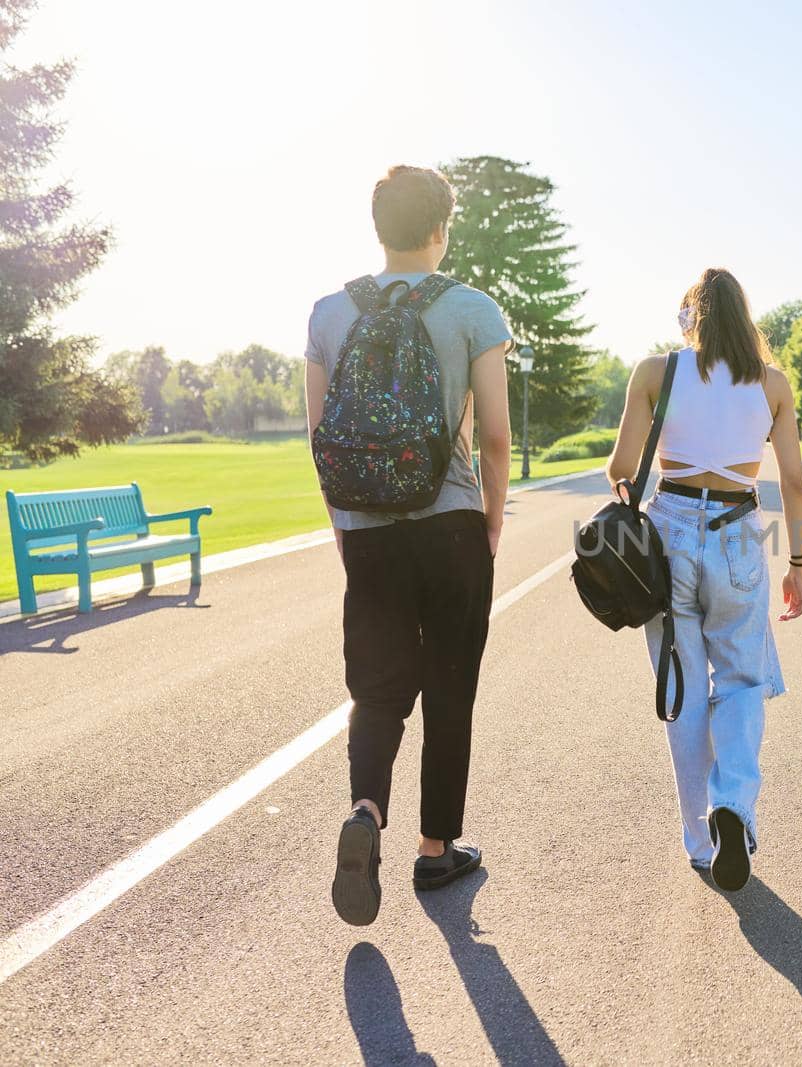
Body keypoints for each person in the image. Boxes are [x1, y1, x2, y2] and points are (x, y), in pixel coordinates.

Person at [306, 165, 514, 925]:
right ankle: (435, 850)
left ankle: (365, 811)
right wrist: (491, 518)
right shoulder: (471, 309)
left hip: (366, 527)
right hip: (449, 520)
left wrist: (344, 527)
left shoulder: (330, 313)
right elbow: (493, 435)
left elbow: (319, 437)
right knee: (449, 685)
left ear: (377, 226)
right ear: (440, 230)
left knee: (378, 688)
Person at [605, 267, 802, 892]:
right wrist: (799, 566)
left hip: (668, 530)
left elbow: (621, 469)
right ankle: (733, 808)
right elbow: (795, 483)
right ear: (744, 320)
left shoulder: (655, 373)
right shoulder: (771, 384)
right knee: (744, 676)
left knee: (684, 686)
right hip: (736, 530)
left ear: (691, 318)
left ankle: (700, 839)